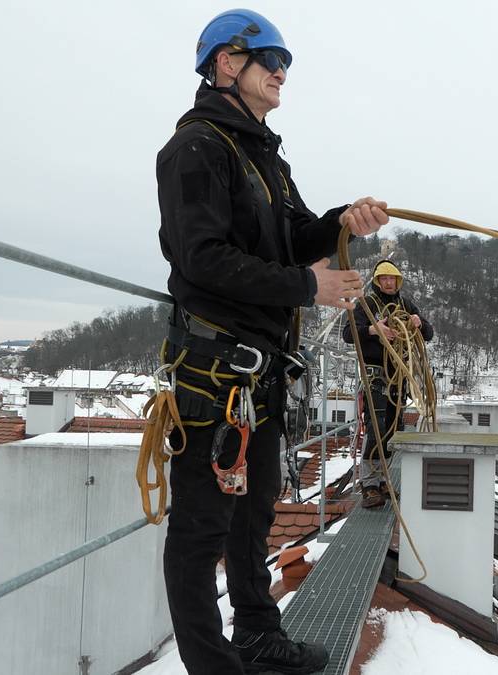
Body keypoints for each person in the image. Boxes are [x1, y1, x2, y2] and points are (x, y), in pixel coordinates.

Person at [155, 9, 388, 674]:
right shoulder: (195, 149)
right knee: (199, 530)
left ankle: (257, 632)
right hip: (212, 368)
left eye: (285, 61)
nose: (282, 71)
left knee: (252, 514)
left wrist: (342, 220)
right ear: (227, 64)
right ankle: (212, 664)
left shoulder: (262, 158)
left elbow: (294, 236)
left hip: (254, 375)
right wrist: (306, 287)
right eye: (269, 59)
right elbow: (200, 259)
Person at [342, 259, 434, 508]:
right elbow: (348, 333)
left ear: (398, 281)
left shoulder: (405, 305)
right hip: (375, 372)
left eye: (393, 279)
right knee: (376, 426)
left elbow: (429, 333)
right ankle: (369, 484)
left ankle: (382, 479)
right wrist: (372, 330)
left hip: (398, 374)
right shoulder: (366, 304)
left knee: (393, 429)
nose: (389, 283)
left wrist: (418, 323)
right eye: (384, 279)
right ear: (377, 281)